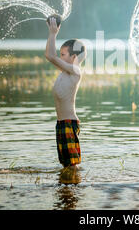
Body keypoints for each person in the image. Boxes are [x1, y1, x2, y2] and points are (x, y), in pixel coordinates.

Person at [45, 16, 86, 171]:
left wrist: (53, 33)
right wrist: (51, 34)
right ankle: (67, 189)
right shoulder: (65, 72)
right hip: (61, 123)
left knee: (72, 166)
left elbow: (50, 56)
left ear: (74, 57)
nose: (60, 57)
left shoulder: (75, 70)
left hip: (69, 123)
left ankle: (73, 190)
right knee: (65, 166)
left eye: (63, 54)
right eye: (60, 54)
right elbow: (49, 55)